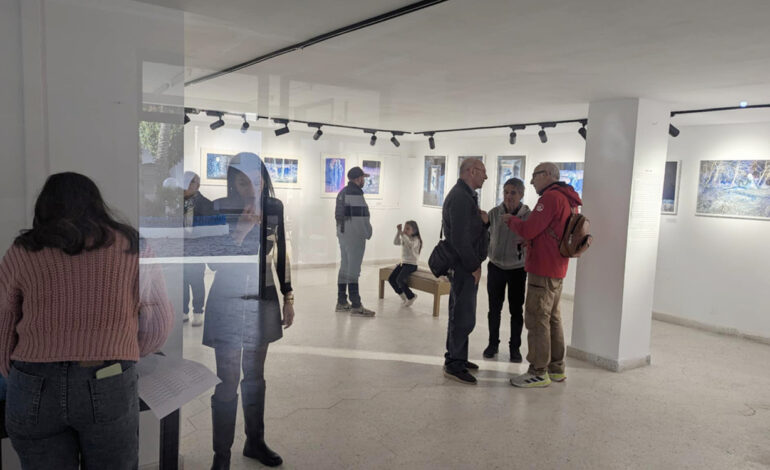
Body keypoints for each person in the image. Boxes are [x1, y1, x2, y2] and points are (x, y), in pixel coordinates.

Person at [0, 172, 173, 469]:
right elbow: (158, 323)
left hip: (33, 381)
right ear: (96, 204)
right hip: (108, 376)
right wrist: (126, 352)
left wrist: (15, 373)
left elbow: (4, 320)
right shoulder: (132, 245)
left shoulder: (23, 250)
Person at [204, 153, 295, 469]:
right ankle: (221, 456)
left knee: (255, 376)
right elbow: (212, 262)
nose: (251, 188)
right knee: (227, 380)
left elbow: (281, 252)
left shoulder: (274, 207)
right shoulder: (219, 207)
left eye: (256, 180)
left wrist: (288, 295)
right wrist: (240, 232)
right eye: (243, 182)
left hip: (263, 295)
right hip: (227, 296)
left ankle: (255, 441)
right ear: (232, 182)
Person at [503, 162, 582, 388]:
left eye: (534, 176)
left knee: (537, 319)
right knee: (553, 318)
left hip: (543, 268)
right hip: (557, 268)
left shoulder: (549, 198)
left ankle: (538, 371)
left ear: (547, 174)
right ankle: (556, 368)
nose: (531, 181)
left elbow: (529, 229)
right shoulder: (568, 198)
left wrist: (512, 221)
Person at [441, 158, 490, 384]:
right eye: (483, 172)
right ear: (471, 171)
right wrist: (473, 266)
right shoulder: (461, 197)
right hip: (464, 266)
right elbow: (460, 238)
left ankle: (457, 356)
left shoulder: (465, 195)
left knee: (460, 312)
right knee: (463, 315)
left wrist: (484, 222)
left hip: (463, 265)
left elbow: (469, 231)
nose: (486, 177)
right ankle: (454, 364)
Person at [483, 178, 531, 362]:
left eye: (513, 193)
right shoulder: (494, 213)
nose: (508, 196)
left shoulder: (528, 217)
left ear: (521, 194)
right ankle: (492, 344)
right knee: (494, 309)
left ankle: (514, 348)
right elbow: (486, 236)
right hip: (495, 267)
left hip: (517, 269)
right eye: (506, 192)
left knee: (516, 310)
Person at [335, 166, 375, 317]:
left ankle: (341, 301)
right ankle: (356, 304)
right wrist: (367, 233)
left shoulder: (342, 192)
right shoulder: (355, 193)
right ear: (358, 178)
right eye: (363, 177)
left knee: (344, 268)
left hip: (344, 236)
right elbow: (359, 220)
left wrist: (341, 234)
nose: (364, 180)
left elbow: (338, 218)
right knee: (353, 271)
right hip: (354, 238)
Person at [183, 171, 214, 326]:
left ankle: (198, 311)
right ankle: (183, 310)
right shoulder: (176, 203)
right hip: (180, 248)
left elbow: (211, 229)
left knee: (196, 281)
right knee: (182, 280)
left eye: (191, 182)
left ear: (198, 185)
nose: (187, 185)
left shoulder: (207, 204)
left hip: (197, 248)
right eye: (185, 182)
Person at [389, 220, 423, 307]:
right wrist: (398, 232)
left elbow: (410, 245)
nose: (405, 230)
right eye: (404, 228)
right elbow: (396, 242)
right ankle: (403, 296)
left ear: (414, 231)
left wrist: (402, 234)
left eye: (407, 229)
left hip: (412, 265)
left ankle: (411, 296)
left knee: (399, 280)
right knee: (391, 279)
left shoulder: (416, 240)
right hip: (403, 263)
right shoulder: (405, 238)